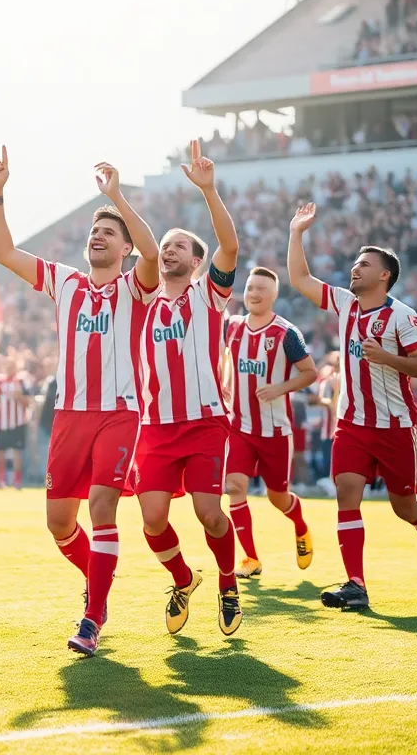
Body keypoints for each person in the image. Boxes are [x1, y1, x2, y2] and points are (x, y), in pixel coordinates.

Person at [0, 147, 159, 657]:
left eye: (109, 232)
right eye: (94, 230)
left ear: (124, 247)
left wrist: (117, 198)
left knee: (102, 508)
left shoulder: (135, 285)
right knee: (59, 523)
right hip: (69, 416)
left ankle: (92, 617)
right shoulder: (66, 282)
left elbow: (152, 255)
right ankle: (97, 579)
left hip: (120, 413)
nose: (98, 235)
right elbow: (3, 253)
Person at [288, 202, 417, 612]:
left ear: (384, 275)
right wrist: (297, 233)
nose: (355, 269)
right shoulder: (345, 303)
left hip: (395, 425)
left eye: (364, 264)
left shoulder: (403, 317)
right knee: (347, 493)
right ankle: (356, 584)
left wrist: (387, 358)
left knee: (405, 507)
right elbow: (299, 278)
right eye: (355, 263)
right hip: (351, 423)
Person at [133, 140, 243, 636]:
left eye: (180, 245)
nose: (169, 249)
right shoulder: (143, 299)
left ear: (196, 261)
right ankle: (183, 578)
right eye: (165, 245)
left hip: (203, 423)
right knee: (152, 519)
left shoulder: (207, 295)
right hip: (155, 427)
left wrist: (209, 191)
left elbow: (230, 246)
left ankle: (227, 582)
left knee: (208, 513)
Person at [223, 267, 318, 580]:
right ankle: (250, 558)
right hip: (238, 427)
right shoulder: (231, 326)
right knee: (234, 487)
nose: (254, 293)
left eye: (261, 288)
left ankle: (301, 528)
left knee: (278, 497)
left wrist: (279, 388)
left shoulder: (286, 333)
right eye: (250, 287)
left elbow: (310, 373)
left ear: (274, 295)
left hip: (275, 431)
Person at [0, 357, 33, 490]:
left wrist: (19, 398)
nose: (10, 369)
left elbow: (28, 402)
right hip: (1, 423)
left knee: (17, 452)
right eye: (7, 366)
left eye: (12, 366)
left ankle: (17, 481)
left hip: (17, 422)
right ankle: (1, 480)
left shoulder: (21, 381)